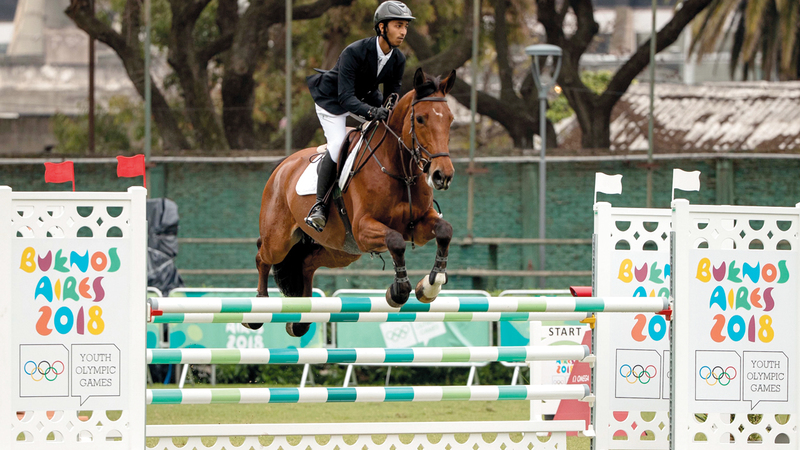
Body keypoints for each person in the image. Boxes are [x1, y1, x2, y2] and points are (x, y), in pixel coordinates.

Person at [304, 1, 414, 233]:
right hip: (332, 100)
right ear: (382, 28)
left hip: (364, 98)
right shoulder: (354, 52)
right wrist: (373, 112)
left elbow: (392, 92)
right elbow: (345, 98)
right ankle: (319, 207)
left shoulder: (398, 59)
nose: (403, 32)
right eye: (398, 25)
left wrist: (388, 108)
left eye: (405, 26)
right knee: (337, 145)